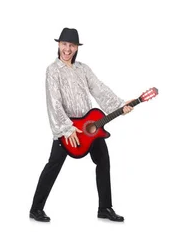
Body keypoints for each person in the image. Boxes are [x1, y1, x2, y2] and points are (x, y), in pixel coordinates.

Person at [29, 27, 134, 223]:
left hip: (90, 127)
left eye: (72, 45)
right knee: (53, 166)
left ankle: (105, 208)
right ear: (59, 45)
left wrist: (120, 105)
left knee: (103, 161)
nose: (67, 49)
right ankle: (36, 209)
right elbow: (54, 102)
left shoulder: (83, 69)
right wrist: (67, 128)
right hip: (68, 130)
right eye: (64, 44)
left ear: (77, 48)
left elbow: (99, 88)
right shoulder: (52, 71)